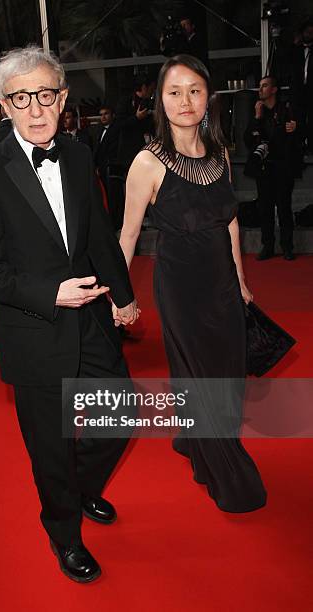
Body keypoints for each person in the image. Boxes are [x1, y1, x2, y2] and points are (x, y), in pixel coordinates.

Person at [0, 45, 139, 583]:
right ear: (4, 105)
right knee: (51, 448)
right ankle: (64, 535)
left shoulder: (80, 154)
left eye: (46, 95)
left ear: (62, 99)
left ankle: (81, 489)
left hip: (91, 320)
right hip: (35, 328)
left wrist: (124, 297)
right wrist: (50, 293)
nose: (36, 110)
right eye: (22, 98)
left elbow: (100, 238)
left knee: (121, 416)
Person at [119, 54, 267, 513]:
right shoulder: (147, 163)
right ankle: (227, 472)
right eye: (174, 92)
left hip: (222, 283)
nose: (186, 101)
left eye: (195, 91)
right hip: (180, 288)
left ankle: (193, 439)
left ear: (209, 98)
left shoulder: (221, 154)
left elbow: (230, 222)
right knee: (201, 378)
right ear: (160, 101)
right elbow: (126, 235)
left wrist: (240, 280)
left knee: (227, 376)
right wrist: (119, 298)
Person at [244, 75, 301, 261]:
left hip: (282, 166)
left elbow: (295, 138)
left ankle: (287, 247)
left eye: (264, 86)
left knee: (284, 207)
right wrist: (257, 118)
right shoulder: (258, 112)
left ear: (274, 90)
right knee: (265, 208)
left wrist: (296, 128)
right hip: (264, 168)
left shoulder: (286, 109)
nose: (260, 90)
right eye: (259, 86)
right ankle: (267, 245)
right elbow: (248, 140)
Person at [93, 105, 125, 229]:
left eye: (106, 114)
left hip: (112, 168)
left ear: (112, 115)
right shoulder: (99, 130)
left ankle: (116, 223)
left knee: (115, 196)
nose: (103, 117)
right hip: (101, 169)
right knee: (104, 197)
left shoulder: (116, 130)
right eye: (101, 114)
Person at [115, 76, 155, 172]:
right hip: (130, 152)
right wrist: (136, 118)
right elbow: (119, 124)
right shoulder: (126, 102)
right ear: (144, 87)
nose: (152, 92)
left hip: (148, 150)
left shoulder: (151, 102)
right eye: (151, 89)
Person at [290, 18, 313, 153]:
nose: (309, 35)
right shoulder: (296, 50)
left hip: (310, 89)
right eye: (307, 32)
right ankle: (299, 146)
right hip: (298, 90)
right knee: (298, 118)